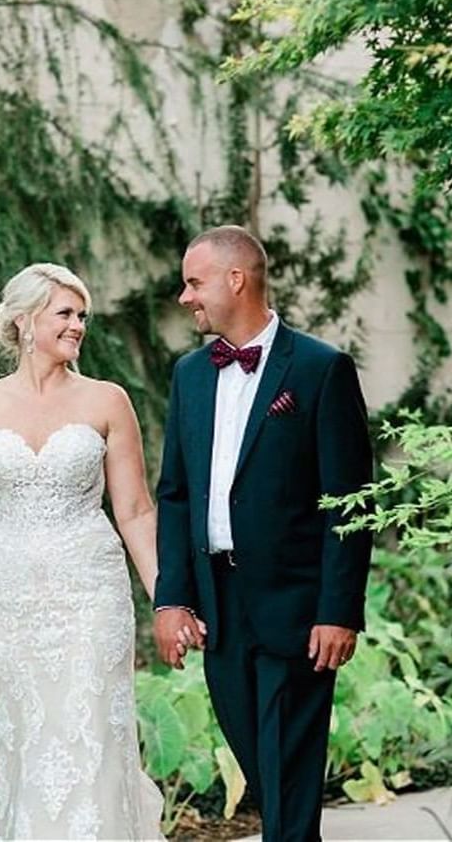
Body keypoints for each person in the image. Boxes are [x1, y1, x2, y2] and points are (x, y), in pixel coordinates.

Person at [154, 226, 373, 842]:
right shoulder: (190, 375)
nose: (184, 297)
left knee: (289, 778)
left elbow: (347, 503)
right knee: (267, 770)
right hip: (219, 609)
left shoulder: (320, 369)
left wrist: (338, 610)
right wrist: (172, 598)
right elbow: (174, 494)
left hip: (297, 611)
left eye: (194, 282)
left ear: (236, 279)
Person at [0, 262, 164, 841]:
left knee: (90, 733)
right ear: (24, 321)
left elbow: (137, 511)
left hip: (90, 595)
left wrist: (167, 600)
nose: (78, 326)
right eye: (65, 313)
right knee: (24, 745)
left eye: (82, 315)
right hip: (7, 601)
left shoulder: (107, 400)